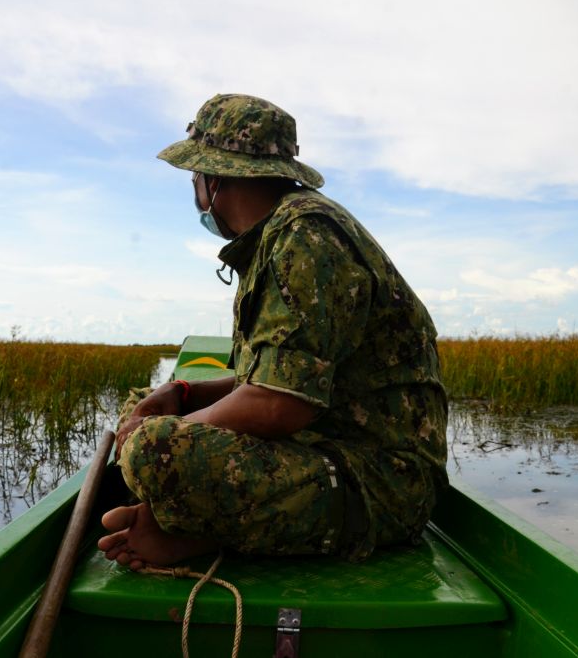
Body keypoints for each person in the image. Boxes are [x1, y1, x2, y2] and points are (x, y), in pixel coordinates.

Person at [98, 94, 448, 569]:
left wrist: (168, 430)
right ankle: (184, 520)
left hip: (380, 485)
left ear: (214, 180)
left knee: (152, 447)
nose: (196, 191)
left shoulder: (305, 237)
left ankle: (193, 530)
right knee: (142, 405)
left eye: (195, 179)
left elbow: (280, 404)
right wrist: (180, 391)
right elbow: (265, 379)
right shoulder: (280, 235)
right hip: (326, 455)